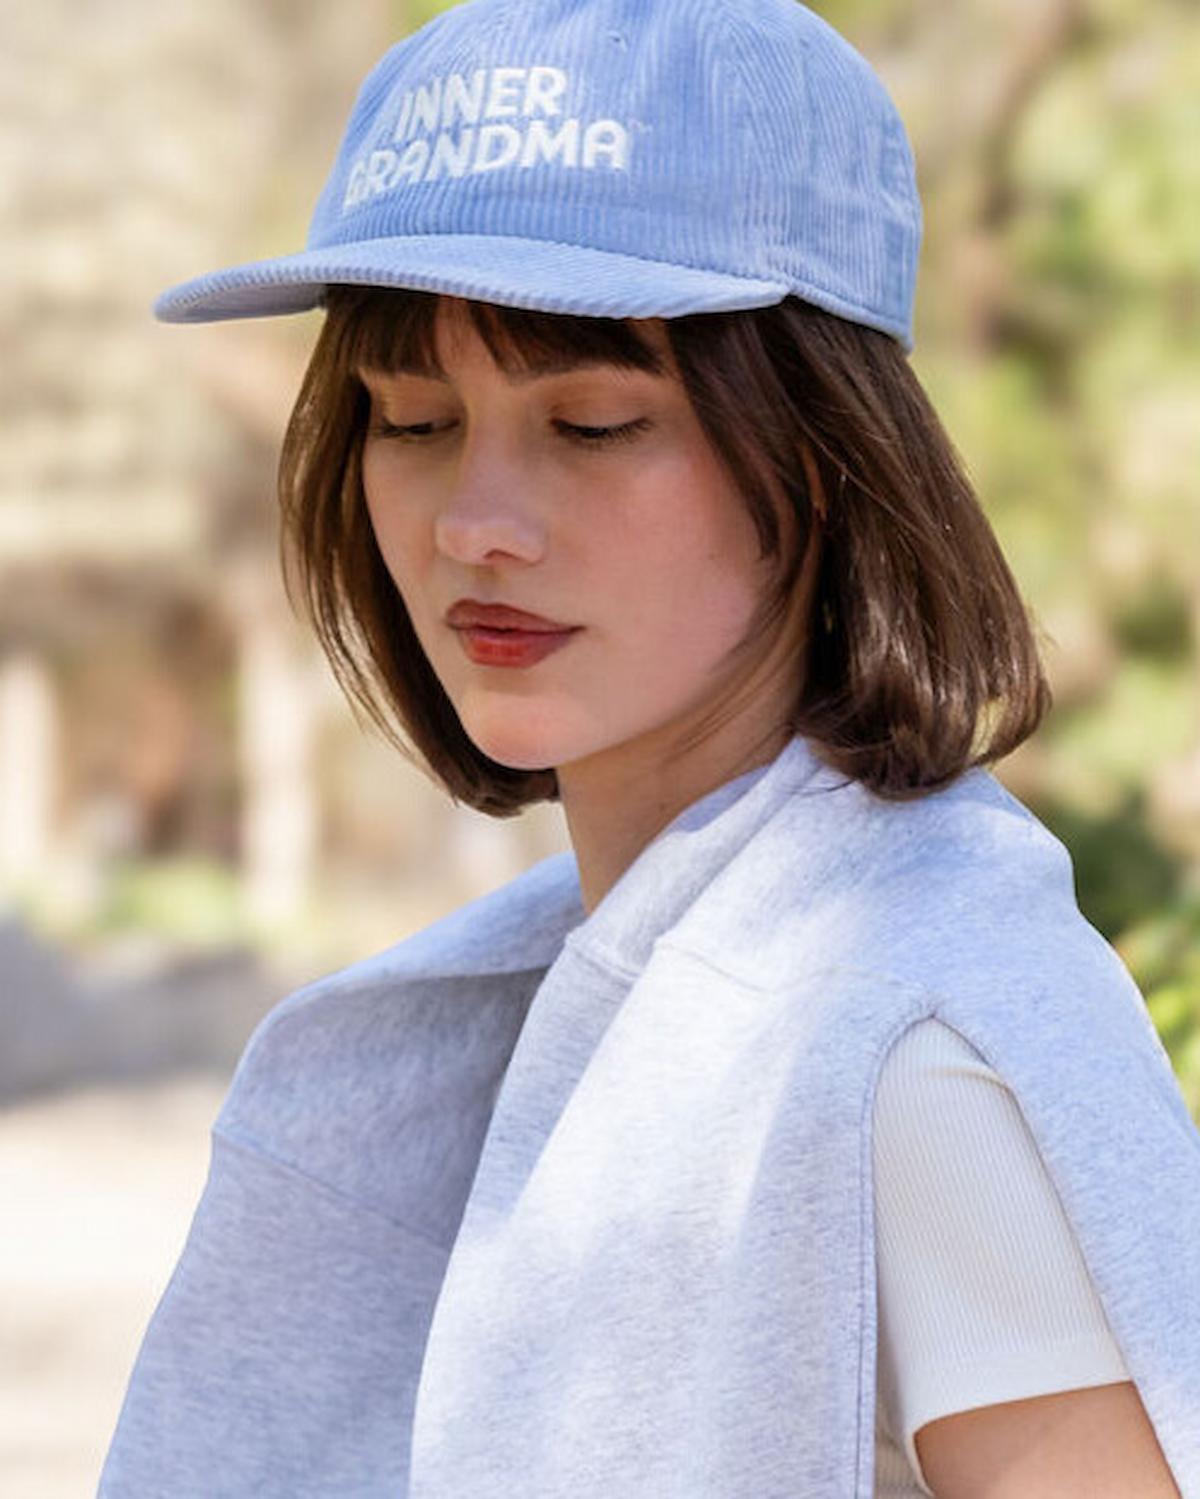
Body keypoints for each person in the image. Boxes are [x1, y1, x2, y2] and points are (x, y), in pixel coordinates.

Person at [99, 1, 1200, 1496]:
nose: (474, 525)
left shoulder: (917, 1049)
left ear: (822, 461)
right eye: (414, 420)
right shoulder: (541, 992)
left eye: (596, 423)